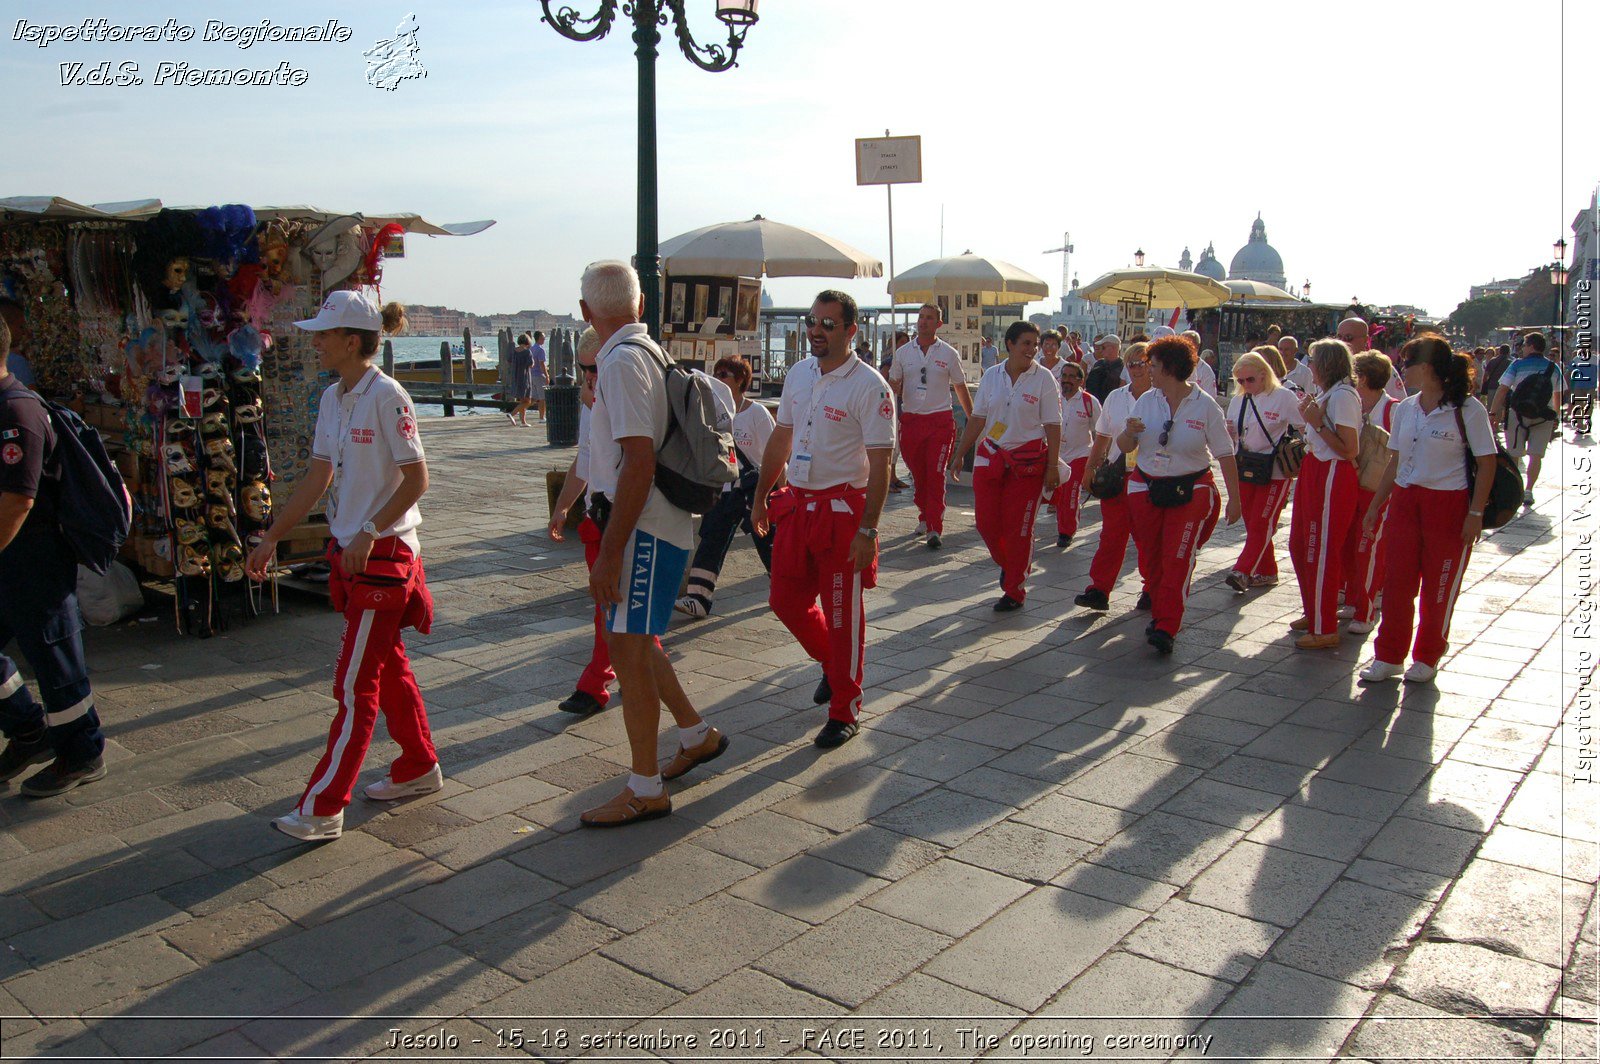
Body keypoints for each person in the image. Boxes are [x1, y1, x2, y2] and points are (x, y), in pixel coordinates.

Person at [246, 291, 440, 842]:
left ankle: (324, 805)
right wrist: (272, 539)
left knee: (355, 684)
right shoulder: (332, 398)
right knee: (387, 666)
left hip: (385, 555)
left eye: (324, 334)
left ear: (351, 341)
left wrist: (370, 533)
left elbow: (417, 479)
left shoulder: (389, 397)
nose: (316, 342)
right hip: (353, 554)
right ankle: (419, 764)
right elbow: (317, 477)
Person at [576, 261, 725, 825]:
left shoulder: (618, 363)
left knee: (630, 653)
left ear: (588, 311)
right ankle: (694, 733)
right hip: (656, 527)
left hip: (643, 530)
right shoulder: (647, 353)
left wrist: (610, 552)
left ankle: (645, 787)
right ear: (640, 305)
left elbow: (637, 463)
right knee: (636, 644)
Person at [752, 290, 894, 748]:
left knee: (841, 615)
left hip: (842, 512)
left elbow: (882, 463)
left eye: (828, 324)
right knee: (785, 599)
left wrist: (869, 531)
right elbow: (781, 437)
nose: (816, 331)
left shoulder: (869, 386)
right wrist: (760, 496)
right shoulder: (799, 373)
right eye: (812, 322)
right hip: (798, 506)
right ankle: (834, 669)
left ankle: (845, 707)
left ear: (851, 331)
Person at [0, 310, 107, 797]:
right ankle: (28, 729)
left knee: (56, 663)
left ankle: (82, 752)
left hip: (34, 560)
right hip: (9, 560)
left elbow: (19, 500)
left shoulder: (16, 411)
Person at [1359, 335, 1497, 684]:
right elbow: (1395, 459)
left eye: (1408, 363)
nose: (1403, 370)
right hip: (1406, 501)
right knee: (1396, 584)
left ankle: (1427, 655)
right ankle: (1389, 656)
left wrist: (1475, 514)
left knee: (1439, 586)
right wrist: (1376, 506)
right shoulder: (1406, 408)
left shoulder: (1468, 410)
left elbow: (1487, 461)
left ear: (1428, 367)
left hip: (1448, 503)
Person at [1116, 335, 1240, 653]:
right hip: (1146, 487)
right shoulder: (1146, 400)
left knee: (1178, 558)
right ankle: (1159, 609)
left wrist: (1236, 500)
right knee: (1150, 557)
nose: (1148, 371)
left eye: (1153, 365)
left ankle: (1166, 625)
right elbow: (1126, 446)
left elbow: (1225, 453)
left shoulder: (1205, 405)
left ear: (1170, 368)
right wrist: (1128, 433)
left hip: (1190, 490)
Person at [949, 321, 1062, 611]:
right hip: (993, 456)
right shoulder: (992, 376)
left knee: (1019, 529)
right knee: (986, 524)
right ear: (1009, 345)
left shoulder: (1044, 379)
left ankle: (1015, 588)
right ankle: (1011, 564)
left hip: (1028, 464)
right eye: (1026, 343)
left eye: (1035, 344)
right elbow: (978, 418)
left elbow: (1053, 424)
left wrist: (1052, 466)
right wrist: (960, 453)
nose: (1032, 349)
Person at [548, 328, 626, 716]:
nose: (590, 377)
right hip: (600, 515)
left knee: (613, 607)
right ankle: (609, 678)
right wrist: (563, 506)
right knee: (612, 607)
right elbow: (585, 457)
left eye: (595, 369)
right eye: (584, 370)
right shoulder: (589, 402)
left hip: (627, 517)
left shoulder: (624, 395)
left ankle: (597, 682)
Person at [675, 355, 775, 617]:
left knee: (767, 540)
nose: (717, 379)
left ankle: (783, 586)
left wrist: (777, 491)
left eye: (724, 375)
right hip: (724, 489)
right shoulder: (712, 413)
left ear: (740, 380)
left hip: (753, 489)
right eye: (716, 374)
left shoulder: (757, 414)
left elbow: (775, 457)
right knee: (711, 538)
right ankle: (698, 597)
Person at [1287, 338, 1363, 650]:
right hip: (1315, 468)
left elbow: (1349, 449)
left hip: (1332, 473)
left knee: (1320, 550)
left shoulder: (1343, 396)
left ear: (1326, 365)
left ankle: (1324, 626)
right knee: (1301, 543)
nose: (1310, 367)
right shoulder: (1328, 393)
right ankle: (1316, 610)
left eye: (1314, 361)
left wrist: (1316, 425)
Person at [1075, 341, 1154, 613]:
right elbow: (1102, 437)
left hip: (1150, 477)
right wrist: (1089, 468)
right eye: (1130, 364)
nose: (1135, 369)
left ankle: (1152, 587)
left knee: (1146, 537)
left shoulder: (1163, 397)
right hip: (1119, 475)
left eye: (1141, 363)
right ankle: (1099, 588)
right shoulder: (1116, 397)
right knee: (1111, 535)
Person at [887, 303, 972, 549]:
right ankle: (925, 515)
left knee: (935, 475)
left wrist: (972, 417)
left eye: (929, 318)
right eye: (921, 317)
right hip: (912, 421)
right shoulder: (903, 353)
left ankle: (935, 527)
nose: (923, 321)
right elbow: (893, 385)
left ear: (938, 324)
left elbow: (960, 386)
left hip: (940, 422)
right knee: (919, 475)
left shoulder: (948, 354)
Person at [1223, 350, 1304, 592]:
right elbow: (1235, 435)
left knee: (1262, 521)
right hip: (1246, 465)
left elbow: (1306, 425)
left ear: (1263, 375)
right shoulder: (1238, 400)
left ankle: (1243, 570)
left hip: (1274, 470)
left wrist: (1298, 449)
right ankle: (1267, 571)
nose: (1245, 385)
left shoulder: (1283, 397)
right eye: (1240, 381)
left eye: (1250, 380)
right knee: (1253, 523)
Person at [1341, 351, 1401, 633]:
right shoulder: (1353, 406)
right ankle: (1355, 599)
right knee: (1352, 546)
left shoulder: (1393, 410)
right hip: (1353, 488)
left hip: (1378, 492)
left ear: (1362, 378)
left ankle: (1366, 608)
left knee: (1369, 548)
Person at [1490, 330, 1563, 507]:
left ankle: (1518, 488)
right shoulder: (1553, 367)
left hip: (1518, 414)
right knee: (1536, 455)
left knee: (1515, 453)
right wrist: (1557, 416)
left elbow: (1503, 389)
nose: (1521, 348)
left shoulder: (1517, 365)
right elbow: (1558, 394)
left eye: (1524, 345)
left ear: (1531, 346)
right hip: (1543, 415)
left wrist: (1493, 413)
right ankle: (1529, 490)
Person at [1050, 361, 1101, 548]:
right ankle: (1062, 524)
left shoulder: (1089, 402)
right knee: (1058, 494)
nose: (1067, 380)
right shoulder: (1053, 398)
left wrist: (1097, 459)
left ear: (1080, 380)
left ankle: (1066, 531)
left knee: (1071, 493)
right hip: (1056, 455)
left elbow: (1100, 431)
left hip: (1080, 455)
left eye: (1072, 377)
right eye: (1064, 376)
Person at [0, 300, 36, 389]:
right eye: (21, 326)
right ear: (6, 326)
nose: (25, 332)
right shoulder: (17, 362)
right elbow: (30, 400)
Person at [1084, 333, 1124, 404]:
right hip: (1094, 405)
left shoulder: (1123, 367)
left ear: (1112, 348)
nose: (1100, 350)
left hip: (1111, 405)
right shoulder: (1098, 364)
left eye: (1103, 347)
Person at [506, 332, 535, 426]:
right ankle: (512, 414)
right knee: (528, 401)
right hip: (525, 377)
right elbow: (531, 364)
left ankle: (523, 422)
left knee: (523, 401)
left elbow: (509, 360)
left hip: (515, 377)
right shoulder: (527, 351)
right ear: (527, 341)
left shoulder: (514, 351)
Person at [1181, 330, 1218, 400]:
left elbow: (1210, 398)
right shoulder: (1174, 367)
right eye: (1181, 344)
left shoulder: (1206, 371)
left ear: (1197, 346)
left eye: (1188, 344)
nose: (1184, 348)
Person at [529, 330, 549, 421]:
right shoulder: (540, 349)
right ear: (539, 338)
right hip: (538, 375)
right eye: (543, 338)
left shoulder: (532, 348)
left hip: (531, 375)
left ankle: (519, 410)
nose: (544, 339)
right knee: (542, 397)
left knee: (534, 397)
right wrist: (547, 375)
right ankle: (541, 417)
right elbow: (542, 364)